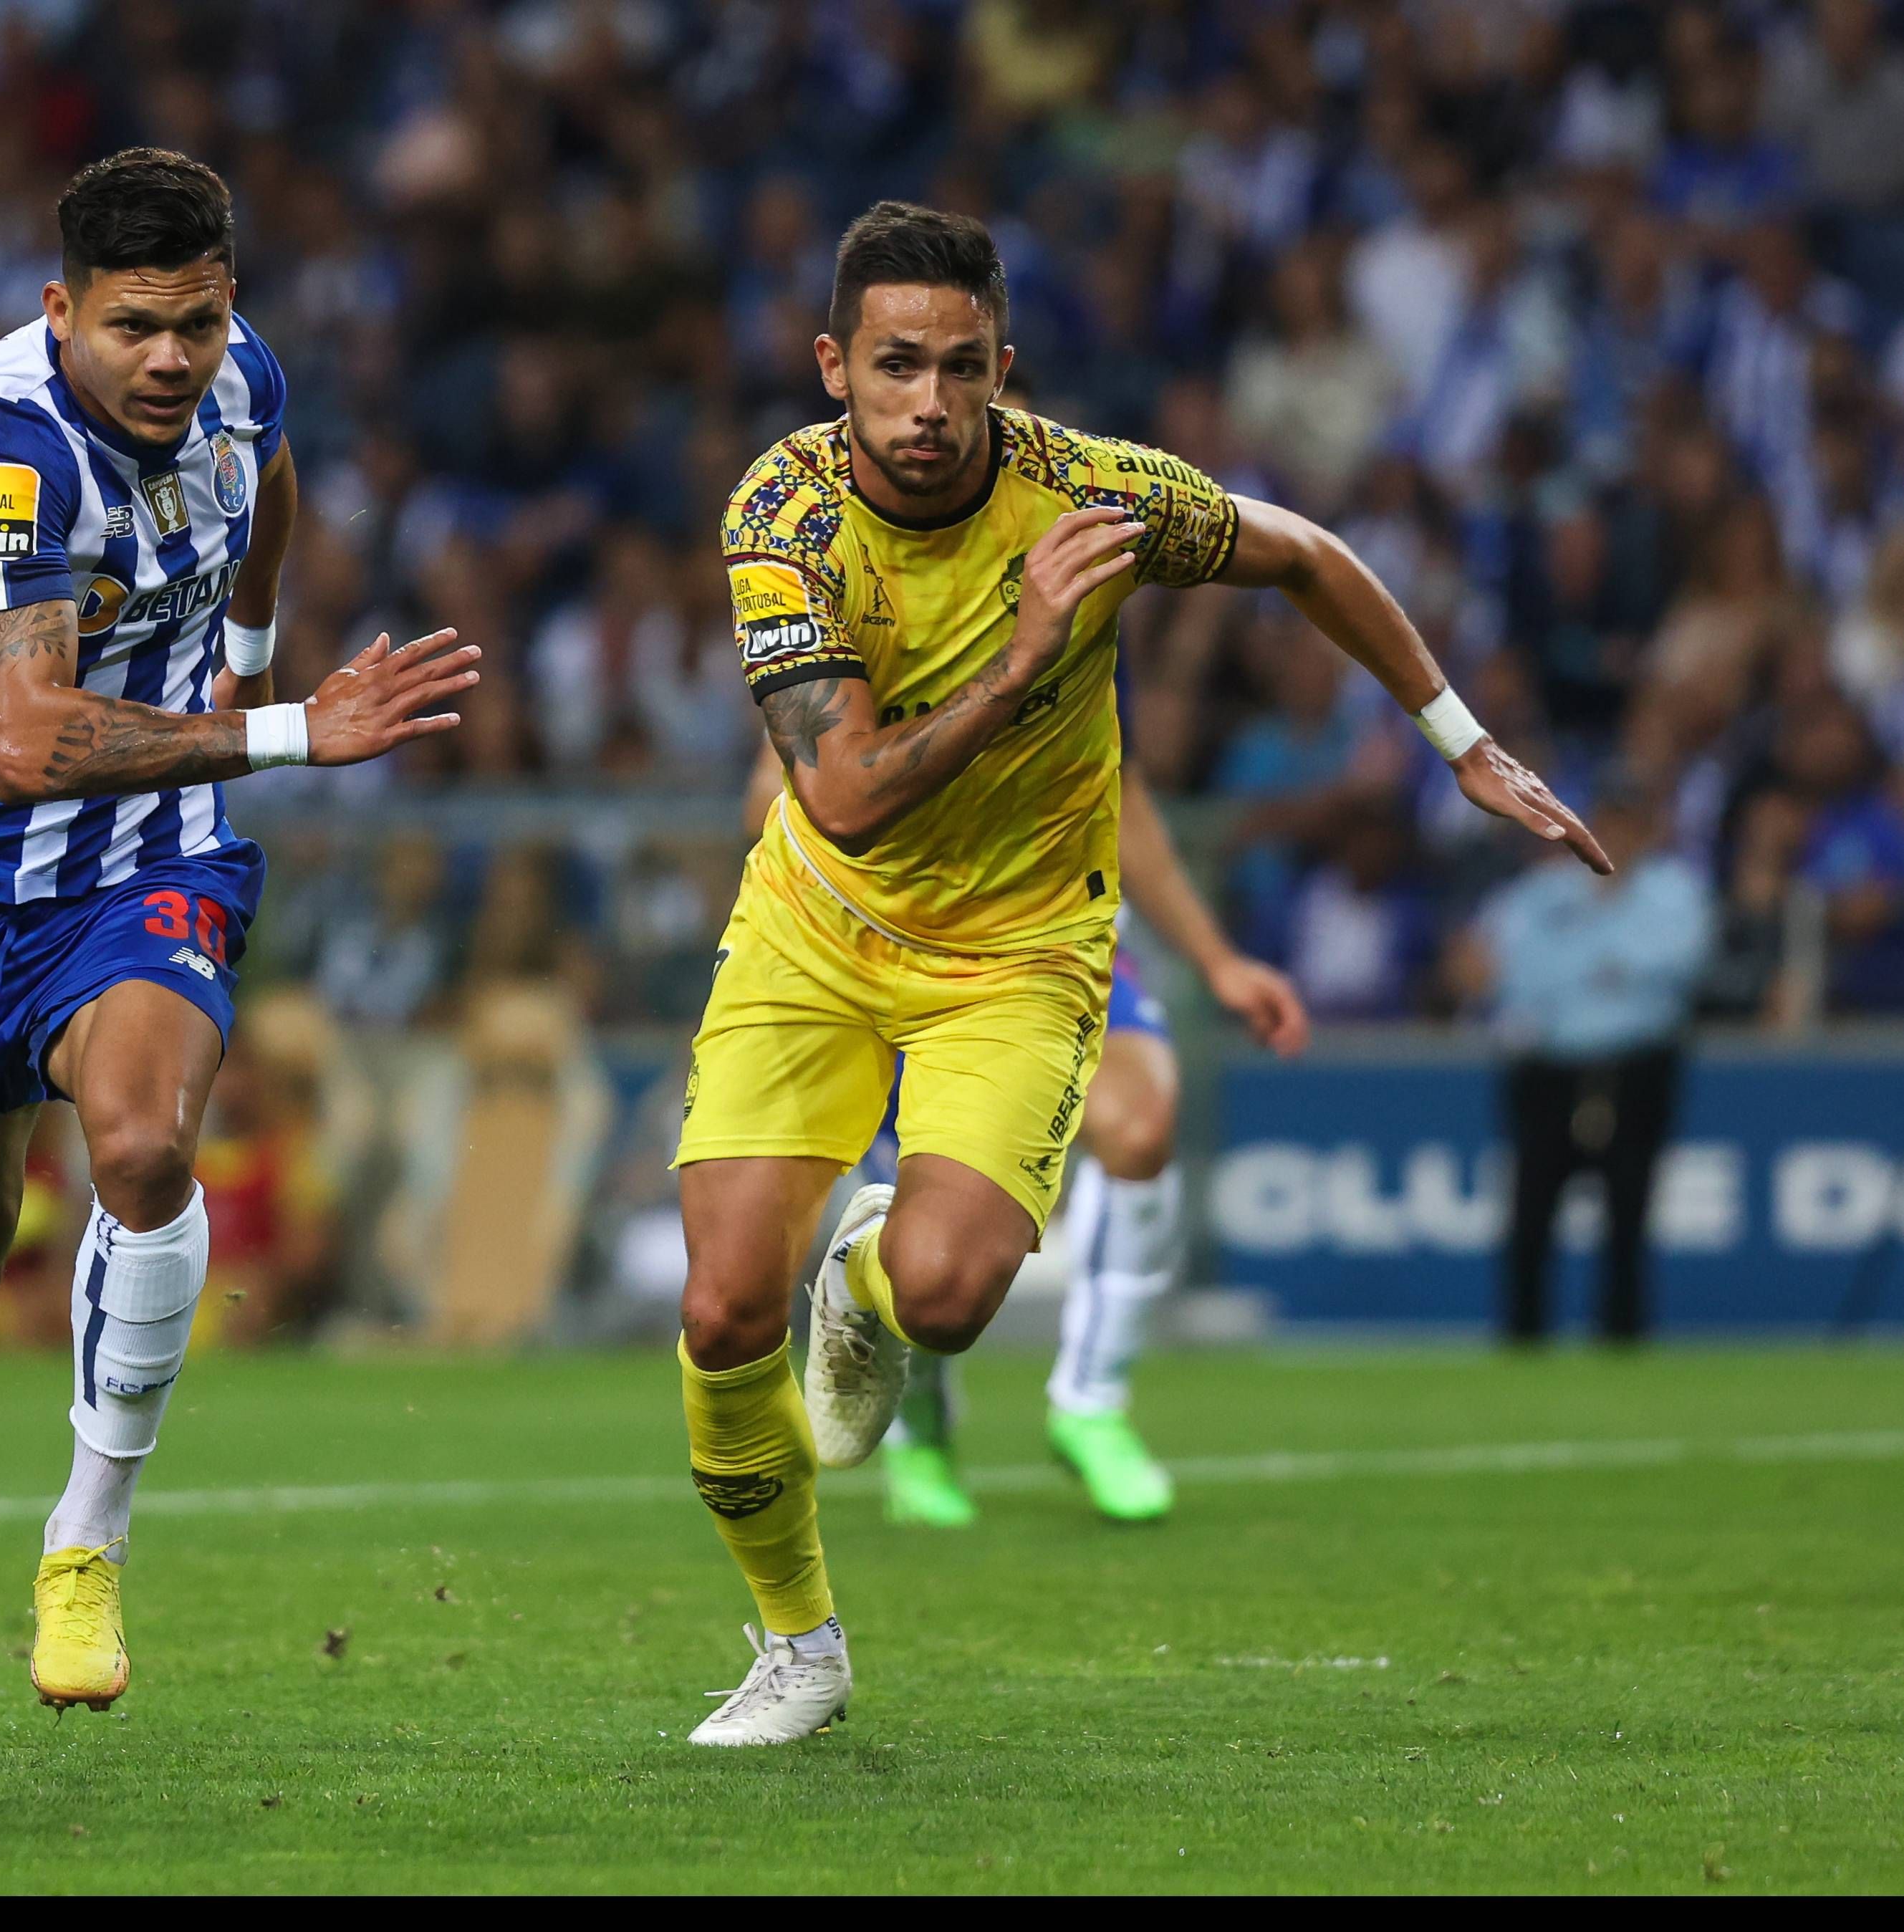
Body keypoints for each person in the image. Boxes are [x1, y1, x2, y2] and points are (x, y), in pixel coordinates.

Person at [672, 202, 1607, 1748]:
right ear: (832, 364)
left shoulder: (1089, 492)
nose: (927, 402)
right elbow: (836, 794)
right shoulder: (776, 515)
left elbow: (1305, 554)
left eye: (958, 367)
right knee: (716, 1314)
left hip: (1022, 946)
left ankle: (863, 1282)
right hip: (818, 929)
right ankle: (796, 1646)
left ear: (1000, 367)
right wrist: (1028, 652)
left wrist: (1462, 744)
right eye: (893, 365)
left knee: (951, 1295)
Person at [0, 149, 476, 1729]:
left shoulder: (238, 381)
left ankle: (88, 1540)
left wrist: (246, 659)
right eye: (131, 327)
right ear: (60, 311)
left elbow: (269, 490)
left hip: (146, 856)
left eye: (195, 322)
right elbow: (25, 742)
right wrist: (282, 729)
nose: (170, 360)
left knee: (139, 1151)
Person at [745, 746, 1310, 1527]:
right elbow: (778, 787)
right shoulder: (867, 626)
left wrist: (1213, 959)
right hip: (907, 950)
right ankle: (920, 1431)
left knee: (1140, 1128)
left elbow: (1126, 791)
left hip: (1058, 936)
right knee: (926, 1254)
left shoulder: (1080, 623)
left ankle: (1091, 1404)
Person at [1458, 782, 1712, 1342]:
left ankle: (1622, 1335)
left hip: (1635, 1065)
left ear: (1649, 833)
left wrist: (1583, 964)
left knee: (1628, 1209)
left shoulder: (1676, 893)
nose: (1615, 836)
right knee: (1531, 1209)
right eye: (1606, 822)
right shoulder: (1540, 893)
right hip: (1550, 1065)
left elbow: (1680, 961)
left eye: (1627, 825)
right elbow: (1503, 972)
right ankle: (1523, 1337)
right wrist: (1604, 968)